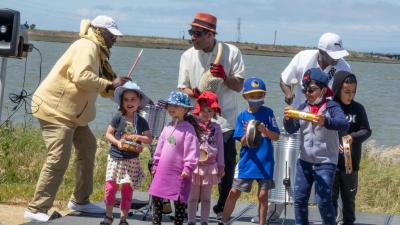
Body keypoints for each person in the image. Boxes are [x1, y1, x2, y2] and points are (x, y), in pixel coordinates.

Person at [24, 15, 130, 222]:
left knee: (88, 148)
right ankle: (36, 208)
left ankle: (80, 201)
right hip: (56, 110)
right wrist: (110, 84)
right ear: (100, 32)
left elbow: (99, 85)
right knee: (58, 159)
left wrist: (119, 90)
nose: (114, 40)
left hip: (73, 114)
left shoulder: (97, 51)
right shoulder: (87, 46)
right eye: (112, 36)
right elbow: (82, 76)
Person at [177, 12, 246, 218]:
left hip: (225, 120)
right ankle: (191, 207)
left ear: (210, 34)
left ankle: (221, 208)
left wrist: (224, 76)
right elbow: (182, 89)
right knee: (193, 162)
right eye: (191, 32)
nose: (192, 37)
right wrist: (197, 93)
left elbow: (239, 85)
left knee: (225, 163)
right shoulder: (187, 56)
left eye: (197, 33)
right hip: (197, 120)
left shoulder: (231, 52)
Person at [283, 68, 349, 225]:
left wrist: (325, 121)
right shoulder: (301, 108)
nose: (307, 93)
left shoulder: (332, 107)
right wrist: (287, 118)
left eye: (311, 90)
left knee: (323, 199)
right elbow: (291, 129)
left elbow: (344, 124)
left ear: (323, 90)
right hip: (304, 160)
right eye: (305, 89)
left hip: (326, 161)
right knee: (299, 198)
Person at [219, 77, 280, 225]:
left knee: (263, 195)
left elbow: (276, 136)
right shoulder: (242, 116)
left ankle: (262, 222)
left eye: (260, 95)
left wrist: (264, 130)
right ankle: (224, 220)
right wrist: (250, 132)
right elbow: (243, 141)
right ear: (245, 96)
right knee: (234, 192)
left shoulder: (268, 113)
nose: (256, 98)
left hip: (265, 161)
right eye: (252, 95)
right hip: (248, 161)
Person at [100, 81, 152, 225]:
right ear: (122, 102)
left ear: (139, 101)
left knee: (127, 191)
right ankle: (109, 216)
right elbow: (108, 134)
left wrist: (138, 138)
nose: (129, 102)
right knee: (110, 188)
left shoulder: (141, 121)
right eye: (126, 99)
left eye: (133, 99)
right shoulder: (118, 117)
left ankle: (123, 219)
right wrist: (117, 142)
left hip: (132, 159)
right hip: (115, 158)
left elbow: (148, 139)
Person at [148, 91, 200, 225]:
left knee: (179, 202)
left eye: (176, 105)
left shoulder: (188, 129)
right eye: (170, 105)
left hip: (179, 172)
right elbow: (159, 148)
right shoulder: (167, 127)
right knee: (156, 197)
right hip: (162, 171)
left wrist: (188, 168)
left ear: (185, 110)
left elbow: (192, 150)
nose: (171, 108)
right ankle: (156, 222)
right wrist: (155, 164)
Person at [331, 71, 371, 225]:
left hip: (351, 165)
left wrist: (352, 137)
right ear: (338, 89)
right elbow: (323, 131)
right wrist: (336, 142)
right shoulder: (331, 108)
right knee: (330, 198)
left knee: (349, 199)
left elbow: (366, 131)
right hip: (331, 163)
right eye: (346, 91)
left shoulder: (359, 109)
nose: (350, 95)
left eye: (353, 92)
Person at [280, 32, 351, 108]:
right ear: (321, 52)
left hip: (327, 113)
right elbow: (284, 81)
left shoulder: (345, 68)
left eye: (339, 54)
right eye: (334, 55)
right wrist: (288, 93)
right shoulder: (302, 58)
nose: (337, 58)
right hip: (299, 109)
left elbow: (347, 94)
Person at [187, 91, 225, 225]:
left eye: (210, 110)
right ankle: (191, 220)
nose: (207, 113)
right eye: (203, 110)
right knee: (192, 197)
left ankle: (204, 221)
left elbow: (220, 148)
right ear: (198, 110)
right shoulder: (192, 125)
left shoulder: (217, 127)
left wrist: (221, 166)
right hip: (195, 167)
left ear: (214, 111)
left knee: (206, 198)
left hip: (210, 168)